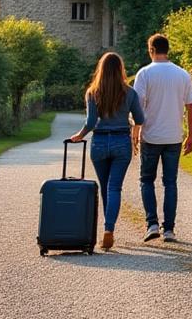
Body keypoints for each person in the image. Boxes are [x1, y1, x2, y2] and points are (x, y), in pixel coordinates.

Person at [69, 52, 144, 252]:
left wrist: (80, 135)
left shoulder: (92, 92)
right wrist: (131, 129)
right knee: (114, 188)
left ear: (100, 69)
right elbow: (139, 118)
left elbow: (91, 123)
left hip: (100, 143)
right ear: (120, 69)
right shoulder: (129, 92)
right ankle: (108, 229)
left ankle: (107, 229)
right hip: (121, 142)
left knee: (105, 188)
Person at [133, 33, 192, 243]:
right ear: (167, 49)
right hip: (173, 136)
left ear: (151, 50)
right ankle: (169, 229)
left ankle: (152, 224)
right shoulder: (182, 74)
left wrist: (135, 130)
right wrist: (191, 135)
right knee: (170, 183)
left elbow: (137, 107)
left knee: (146, 180)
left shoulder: (144, 74)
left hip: (151, 136)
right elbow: (191, 106)